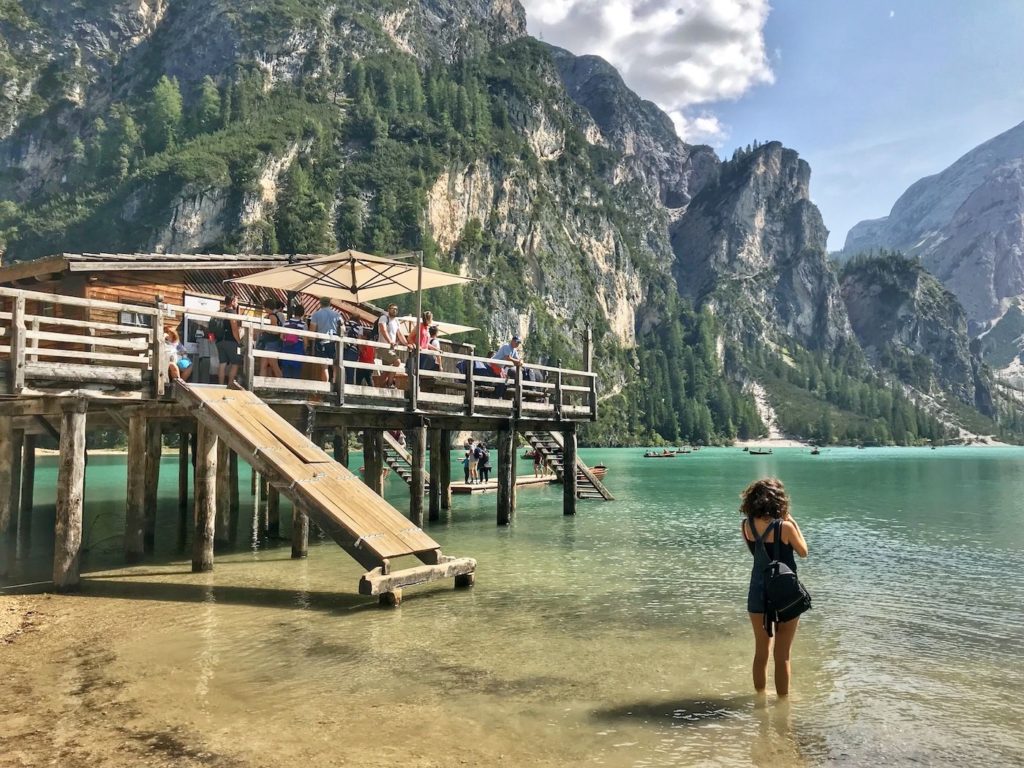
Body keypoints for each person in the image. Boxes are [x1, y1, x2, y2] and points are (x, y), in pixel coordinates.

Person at [740, 478, 809, 697]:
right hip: (785, 594)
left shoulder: (746, 526)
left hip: (757, 592)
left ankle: (760, 699)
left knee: (761, 652)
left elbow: (757, 553)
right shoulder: (785, 527)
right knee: (783, 655)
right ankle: (783, 705)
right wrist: (792, 521)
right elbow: (803, 551)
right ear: (779, 501)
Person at [309, 296, 342, 383]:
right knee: (335, 365)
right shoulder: (337, 315)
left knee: (324, 366)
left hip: (322, 341)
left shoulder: (316, 315)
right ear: (330, 304)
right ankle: (336, 385)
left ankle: (325, 385)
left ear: (320, 304)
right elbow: (343, 329)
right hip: (334, 341)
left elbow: (312, 330)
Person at [212, 295, 242, 385]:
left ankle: (220, 385)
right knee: (235, 363)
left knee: (222, 364)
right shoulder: (232, 313)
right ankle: (230, 385)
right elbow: (234, 329)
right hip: (231, 341)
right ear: (232, 302)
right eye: (236, 301)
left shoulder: (219, 312)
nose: (237, 303)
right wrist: (239, 342)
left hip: (219, 341)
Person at [377, 303, 407, 388]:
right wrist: (390, 341)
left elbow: (400, 334)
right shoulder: (384, 318)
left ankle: (379, 388)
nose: (394, 310)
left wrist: (407, 344)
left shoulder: (396, 321)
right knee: (397, 362)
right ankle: (389, 384)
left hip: (391, 348)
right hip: (384, 347)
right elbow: (383, 330)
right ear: (388, 309)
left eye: (396, 309)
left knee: (387, 371)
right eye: (392, 308)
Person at [259, 298, 285, 378]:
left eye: (265, 307)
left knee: (274, 366)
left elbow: (275, 331)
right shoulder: (278, 314)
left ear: (267, 307)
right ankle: (261, 386)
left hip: (271, 343)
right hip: (271, 343)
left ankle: (282, 385)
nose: (264, 309)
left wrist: (265, 329)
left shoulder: (272, 316)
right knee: (263, 365)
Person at [280, 304, 307, 379]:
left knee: (286, 369)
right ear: (303, 313)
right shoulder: (303, 324)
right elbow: (305, 340)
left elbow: (281, 337)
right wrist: (305, 349)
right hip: (298, 348)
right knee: (296, 370)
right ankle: (295, 388)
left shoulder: (286, 323)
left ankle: (286, 388)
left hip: (287, 347)